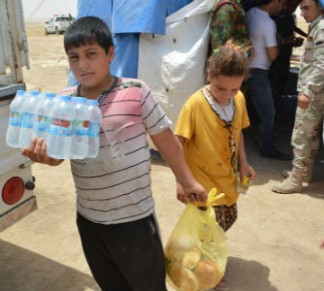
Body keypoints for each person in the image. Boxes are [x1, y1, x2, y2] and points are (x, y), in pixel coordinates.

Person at [22, 16, 207, 291]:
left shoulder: (135, 92)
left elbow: (166, 140)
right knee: (111, 284)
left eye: (91, 54)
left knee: (148, 285)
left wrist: (186, 180)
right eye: (74, 57)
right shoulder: (66, 102)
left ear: (110, 53)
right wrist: (47, 158)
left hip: (134, 220)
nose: (82, 64)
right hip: (90, 219)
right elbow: (60, 154)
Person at [175, 45, 256, 291]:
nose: (227, 94)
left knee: (228, 218)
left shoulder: (238, 100)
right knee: (210, 229)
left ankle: (196, 257)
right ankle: (209, 273)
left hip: (227, 179)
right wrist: (181, 180)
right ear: (208, 76)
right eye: (221, 88)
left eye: (235, 88)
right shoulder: (194, 105)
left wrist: (244, 164)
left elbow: (238, 133)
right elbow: (178, 142)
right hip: (202, 184)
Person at [272, 0, 324, 194]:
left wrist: (308, 91)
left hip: (314, 93)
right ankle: (305, 172)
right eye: (301, 8)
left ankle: (297, 178)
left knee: (301, 135)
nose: (302, 12)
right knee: (312, 135)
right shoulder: (318, 26)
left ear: (320, 7)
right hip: (317, 92)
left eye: (307, 7)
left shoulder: (323, 28)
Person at [245, 0, 290, 160]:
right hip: (259, 71)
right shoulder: (268, 23)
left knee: (250, 109)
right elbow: (273, 55)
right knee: (268, 113)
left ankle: (258, 138)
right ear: (275, 2)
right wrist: (279, 41)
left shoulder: (251, 13)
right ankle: (267, 148)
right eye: (282, 4)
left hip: (247, 68)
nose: (283, 8)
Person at [270, 0, 306, 111]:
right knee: (272, 87)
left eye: (296, 6)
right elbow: (271, 40)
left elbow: (294, 30)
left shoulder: (289, 17)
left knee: (282, 85)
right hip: (274, 61)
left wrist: (295, 42)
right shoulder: (274, 17)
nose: (293, 8)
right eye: (291, 5)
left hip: (285, 59)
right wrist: (285, 41)